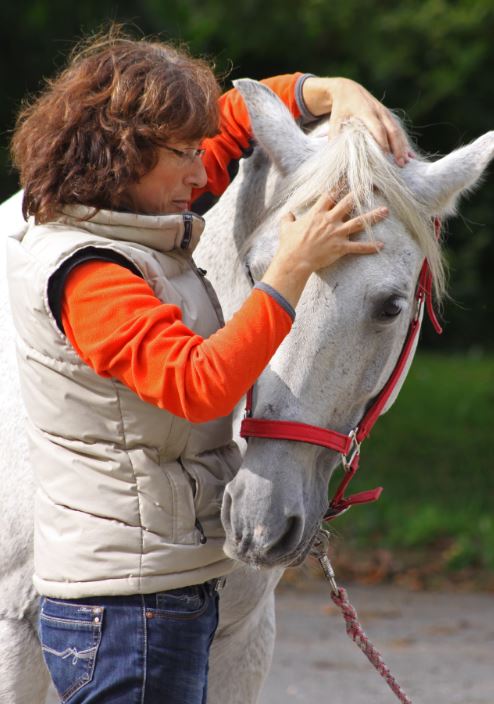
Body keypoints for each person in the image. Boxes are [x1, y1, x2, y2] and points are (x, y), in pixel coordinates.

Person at [8, 27, 408, 704]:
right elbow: (199, 385)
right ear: (122, 154)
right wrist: (289, 271)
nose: (204, 174)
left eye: (200, 153)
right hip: (128, 605)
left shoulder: (129, 211)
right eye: (185, 157)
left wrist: (332, 92)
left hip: (151, 590)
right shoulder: (86, 272)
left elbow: (239, 117)